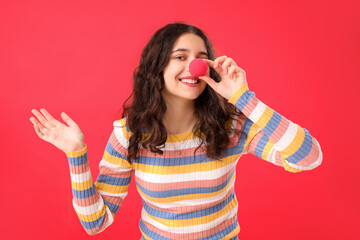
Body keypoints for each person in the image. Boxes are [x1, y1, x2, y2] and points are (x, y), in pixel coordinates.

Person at [29, 22, 323, 240]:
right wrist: (76, 154)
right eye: (180, 57)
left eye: (199, 57)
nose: (193, 66)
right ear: (158, 67)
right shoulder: (129, 135)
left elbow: (308, 158)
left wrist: (243, 99)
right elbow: (96, 223)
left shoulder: (231, 125)